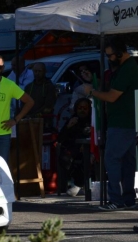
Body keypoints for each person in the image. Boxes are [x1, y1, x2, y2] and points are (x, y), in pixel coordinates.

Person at [84, 35, 138, 211]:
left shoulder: (128, 69)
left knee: (112, 159)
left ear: (120, 53)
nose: (109, 59)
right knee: (128, 162)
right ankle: (128, 199)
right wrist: (96, 84)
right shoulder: (125, 67)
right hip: (129, 122)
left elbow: (112, 96)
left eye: (110, 56)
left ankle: (116, 199)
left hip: (122, 123)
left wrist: (92, 92)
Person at [57, 98, 92, 196]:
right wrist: (69, 126)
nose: (82, 110)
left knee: (87, 159)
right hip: (72, 150)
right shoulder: (72, 119)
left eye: (85, 108)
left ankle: (81, 185)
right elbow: (60, 138)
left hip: (88, 150)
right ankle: (74, 185)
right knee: (65, 158)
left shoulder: (92, 121)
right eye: (80, 108)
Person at [24, 62, 57, 131]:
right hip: (28, 121)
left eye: (39, 71)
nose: (37, 73)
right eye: (35, 71)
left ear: (44, 72)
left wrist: (33, 116)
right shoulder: (28, 87)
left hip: (44, 122)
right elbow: (23, 103)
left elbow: (48, 106)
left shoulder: (49, 87)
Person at [7, 56, 34, 137]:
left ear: (22, 64)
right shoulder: (11, 75)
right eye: (12, 65)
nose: (12, 67)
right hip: (15, 113)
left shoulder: (31, 74)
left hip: (29, 111)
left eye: (15, 65)